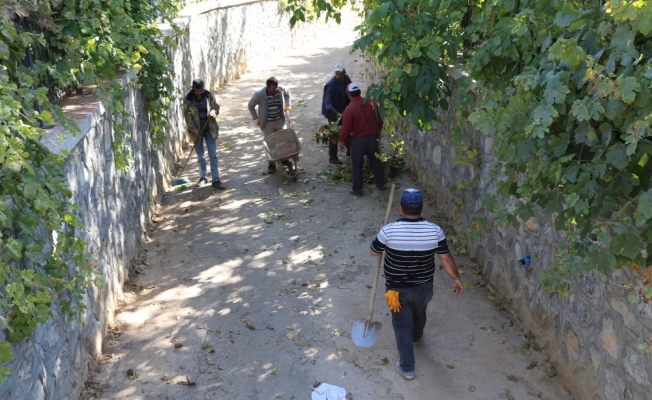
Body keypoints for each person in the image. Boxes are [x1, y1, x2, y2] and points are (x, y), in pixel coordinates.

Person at [370, 188, 464, 380]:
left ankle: (407, 368)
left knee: (401, 326)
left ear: (400, 209)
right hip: (423, 288)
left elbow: (374, 252)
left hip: (396, 290)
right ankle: (416, 338)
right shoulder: (435, 231)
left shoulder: (388, 231)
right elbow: (445, 259)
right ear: (421, 208)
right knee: (420, 312)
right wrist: (456, 278)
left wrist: (380, 233)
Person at [339, 82, 384, 196]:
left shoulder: (350, 108)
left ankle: (358, 190)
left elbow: (346, 128)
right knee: (376, 163)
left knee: (357, 166)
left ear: (349, 95)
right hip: (372, 139)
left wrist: (343, 141)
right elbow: (380, 121)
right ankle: (380, 184)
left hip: (358, 141)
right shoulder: (371, 103)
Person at [183, 79, 226, 190]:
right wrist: (196, 132)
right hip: (196, 132)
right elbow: (188, 119)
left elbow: (216, 107)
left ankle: (216, 180)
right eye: (197, 92)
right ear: (193, 88)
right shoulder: (188, 100)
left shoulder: (209, 96)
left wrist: (213, 113)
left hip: (209, 129)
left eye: (201, 91)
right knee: (200, 156)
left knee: (213, 155)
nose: (199, 94)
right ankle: (203, 177)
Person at [248, 77, 293, 174]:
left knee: (282, 140)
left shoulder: (280, 89)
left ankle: (284, 159)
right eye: (272, 88)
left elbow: (288, 92)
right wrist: (256, 118)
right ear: (267, 87)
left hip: (280, 120)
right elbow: (250, 105)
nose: (275, 90)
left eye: (276, 88)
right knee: (270, 143)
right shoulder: (259, 95)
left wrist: (287, 105)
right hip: (267, 123)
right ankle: (272, 164)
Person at [321, 64, 352, 164]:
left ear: (344, 73)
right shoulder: (331, 84)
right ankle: (333, 157)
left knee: (347, 129)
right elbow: (328, 103)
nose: (338, 76)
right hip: (332, 112)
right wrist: (337, 113)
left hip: (343, 110)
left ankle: (350, 150)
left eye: (340, 74)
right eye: (336, 74)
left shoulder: (346, 80)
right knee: (334, 134)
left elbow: (351, 92)